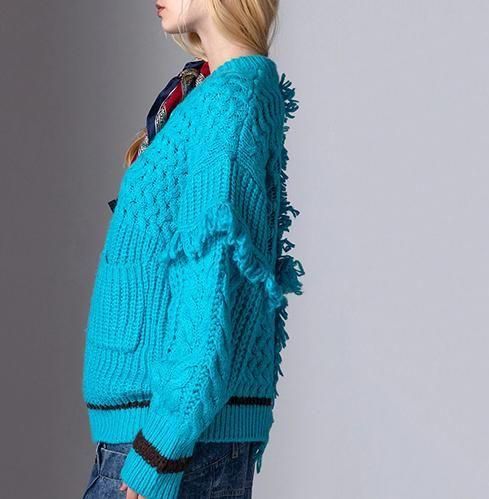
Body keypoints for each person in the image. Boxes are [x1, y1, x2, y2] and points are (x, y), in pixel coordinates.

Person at [80, 0, 305, 497]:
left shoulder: (228, 102)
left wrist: (161, 448)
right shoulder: (215, 93)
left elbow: (211, 284)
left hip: (168, 441)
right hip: (170, 436)